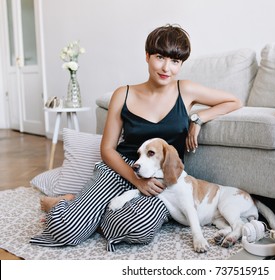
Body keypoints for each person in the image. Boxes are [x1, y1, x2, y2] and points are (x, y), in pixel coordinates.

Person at [30, 24, 242, 251]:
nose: (166, 68)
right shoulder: (123, 94)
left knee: (137, 227)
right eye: (160, 57)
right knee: (66, 228)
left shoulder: (186, 90)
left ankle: (88, 212)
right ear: (147, 56)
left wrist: (198, 119)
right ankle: (63, 204)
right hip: (120, 169)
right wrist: (136, 179)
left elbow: (234, 101)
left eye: (175, 61)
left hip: (161, 180)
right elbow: (108, 149)